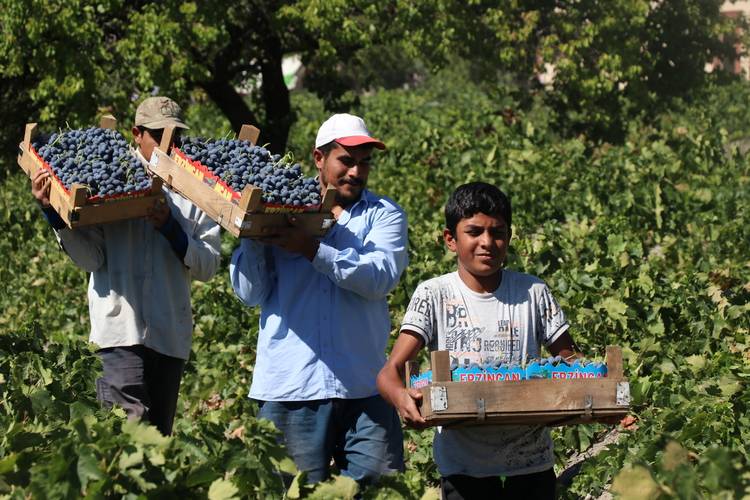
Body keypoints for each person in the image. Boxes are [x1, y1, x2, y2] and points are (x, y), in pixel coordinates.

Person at [229, 113, 408, 484]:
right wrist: (254, 233)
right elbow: (250, 294)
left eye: (364, 164)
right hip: (293, 384)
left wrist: (312, 250)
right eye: (346, 161)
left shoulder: (384, 216)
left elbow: (378, 278)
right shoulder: (280, 206)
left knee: (378, 485)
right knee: (291, 491)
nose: (356, 172)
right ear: (319, 159)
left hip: (363, 384)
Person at [377, 182, 582, 499]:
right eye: (474, 232)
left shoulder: (533, 293)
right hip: (463, 466)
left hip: (530, 462)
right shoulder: (434, 295)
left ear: (509, 237)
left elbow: (573, 363)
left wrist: (598, 396)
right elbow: (390, 372)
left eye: (497, 232)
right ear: (451, 240)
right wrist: (402, 399)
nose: (487, 242)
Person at [30, 96, 221, 435]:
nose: (169, 145)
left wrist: (170, 227)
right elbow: (92, 259)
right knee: (126, 440)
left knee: (158, 445)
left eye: (175, 137)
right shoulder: (107, 184)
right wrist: (53, 213)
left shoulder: (193, 192)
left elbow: (207, 266)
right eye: (159, 135)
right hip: (120, 334)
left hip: (169, 336)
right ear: (137, 134)